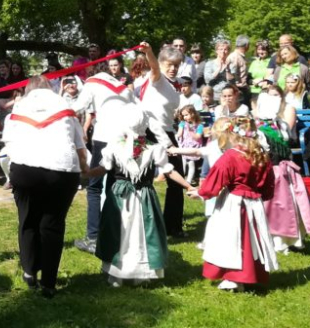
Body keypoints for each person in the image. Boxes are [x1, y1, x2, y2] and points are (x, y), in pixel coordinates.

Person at [87, 105, 194, 287]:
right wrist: (188, 185)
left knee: (122, 231)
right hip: (143, 196)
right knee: (141, 232)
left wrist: (84, 173)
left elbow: (102, 169)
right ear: (145, 124)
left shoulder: (117, 146)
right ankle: (138, 273)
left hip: (121, 196)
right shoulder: (152, 148)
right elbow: (169, 171)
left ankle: (121, 273)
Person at [4, 76, 87, 297]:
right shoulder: (65, 106)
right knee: (52, 224)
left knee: (28, 218)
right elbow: (80, 144)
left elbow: (9, 144)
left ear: (27, 91)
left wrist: (11, 173)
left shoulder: (18, 108)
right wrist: (85, 168)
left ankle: (30, 272)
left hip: (25, 169)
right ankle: (48, 283)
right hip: (61, 171)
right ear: (50, 89)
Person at [195, 116, 278, 292]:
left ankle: (234, 277)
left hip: (234, 203)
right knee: (250, 240)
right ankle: (247, 275)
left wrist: (201, 192)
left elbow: (215, 179)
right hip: (254, 204)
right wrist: (259, 195)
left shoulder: (231, 156)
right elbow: (268, 182)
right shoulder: (260, 154)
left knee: (231, 238)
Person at [71, 49, 136, 254]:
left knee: (94, 187)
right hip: (123, 139)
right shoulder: (122, 87)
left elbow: (78, 107)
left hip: (103, 138)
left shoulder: (92, 82)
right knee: (115, 186)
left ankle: (93, 237)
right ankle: (113, 232)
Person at [135, 43, 185, 236]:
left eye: (176, 65)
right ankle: (139, 224)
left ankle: (173, 226)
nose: (173, 68)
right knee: (140, 177)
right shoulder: (157, 78)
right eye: (169, 64)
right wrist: (149, 52)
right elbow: (154, 67)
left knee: (176, 179)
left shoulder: (175, 84)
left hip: (166, 131)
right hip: (147, 132)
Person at [176, 105, 204, 185]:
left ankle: (188, 181)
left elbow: (198, 136)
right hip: (184, 145)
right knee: (183, 163)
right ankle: (181, 179)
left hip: (193, 147)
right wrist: (176, 137)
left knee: (191, 164)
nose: (184, 117)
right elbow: (179, 133)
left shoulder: (199, 125)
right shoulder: (182, 123)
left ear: (192, 114)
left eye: (186, 115)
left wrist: (192, 132)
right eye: (183, 115)